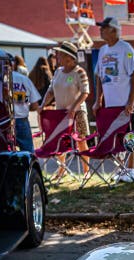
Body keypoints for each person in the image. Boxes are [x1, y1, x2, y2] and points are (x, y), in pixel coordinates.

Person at [93, 16, 134, 182]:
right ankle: (122, 169)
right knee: (117, 137)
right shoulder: (102, 50)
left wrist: (130, 101)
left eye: (104, 27)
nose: (101, 30)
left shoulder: (125, 48)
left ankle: (132, 169)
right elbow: (99, 76)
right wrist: (98, 100)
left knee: (130, 135)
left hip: (128, 102)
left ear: (114, 30)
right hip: (112, 103)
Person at [41, 41, 91, 175]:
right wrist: (42, 105)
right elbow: (51, 91)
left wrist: (74, 108)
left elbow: (85, 92)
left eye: (60, 55)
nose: (57, 57)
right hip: (60, 113)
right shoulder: (57, 72)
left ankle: (86, 171)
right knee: (60, 141)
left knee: (81, 141)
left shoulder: (79, 72)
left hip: (78, 112)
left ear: (69, 57)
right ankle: (62, 169)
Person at [11, 57, 40, 153]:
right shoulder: (23, 79)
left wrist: (14, 98)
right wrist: (23, 101)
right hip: (21, 119)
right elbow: (34, 104)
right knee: (28, 152)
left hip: (2, 122)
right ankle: (30, 168)